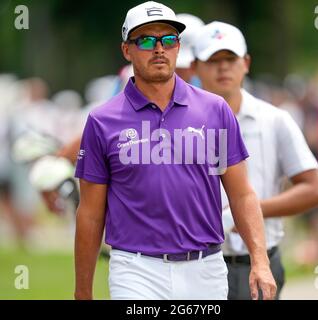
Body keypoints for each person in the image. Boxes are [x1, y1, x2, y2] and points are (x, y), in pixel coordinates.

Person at [74, 1, 276, 300]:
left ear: (178, 47)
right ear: (126, 50)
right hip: (135, 269)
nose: (159, 49)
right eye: (145, 40)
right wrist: (83, 292)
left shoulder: (214, 111)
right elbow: (91, 212)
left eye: (168, 40)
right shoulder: (103, 121)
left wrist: (260, 261)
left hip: (205, 268)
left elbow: (241, 193)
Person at [192, 21, 318, 299]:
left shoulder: (275, 120)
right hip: (197, 266)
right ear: (195, 67)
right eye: (213, 60)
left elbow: (313, 189)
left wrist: (247, 212)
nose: (223, 67)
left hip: (259, 262)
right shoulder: (182, 124)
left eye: (230, 58)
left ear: (246, 63)